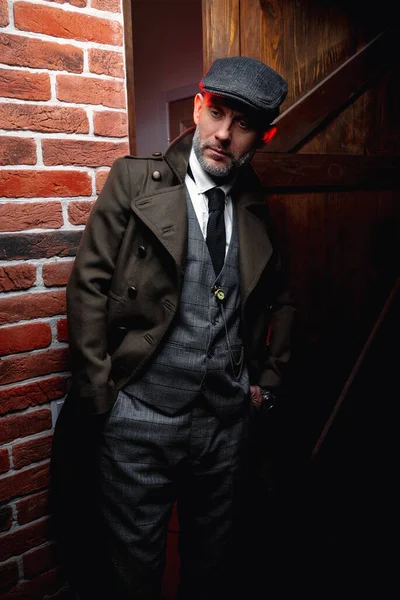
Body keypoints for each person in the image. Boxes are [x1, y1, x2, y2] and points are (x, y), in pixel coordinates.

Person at [50, 56, 295, 600]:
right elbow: (87, 286)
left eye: (245, 124)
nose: (224, 135)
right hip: (139, 417)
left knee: (214, 567)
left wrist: (268, 385)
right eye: (217, 113)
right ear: (198, 107)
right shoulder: (135, 180)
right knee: (131, 574)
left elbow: (283, 301)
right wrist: (101, 397)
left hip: (225, 423)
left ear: (265, 135)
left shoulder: (258, 207)